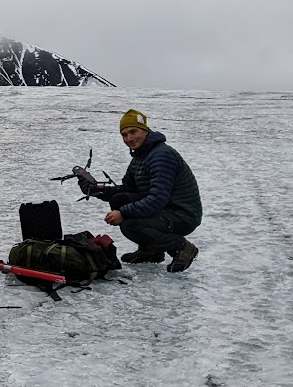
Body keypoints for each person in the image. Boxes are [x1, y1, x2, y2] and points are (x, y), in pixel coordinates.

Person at [81, 109, 202, 273]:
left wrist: (123, 214)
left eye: (133, 132)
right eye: (124, 135)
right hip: (166, 209)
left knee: (130, 225)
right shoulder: (141, 156)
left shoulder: (161, 155)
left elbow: (158, 198)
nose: (129, 139)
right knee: (119, 199)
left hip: (182, 214)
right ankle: (150, 251)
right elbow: (127, 189)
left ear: (145, 130)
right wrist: (96, 190)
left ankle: (181, 248)